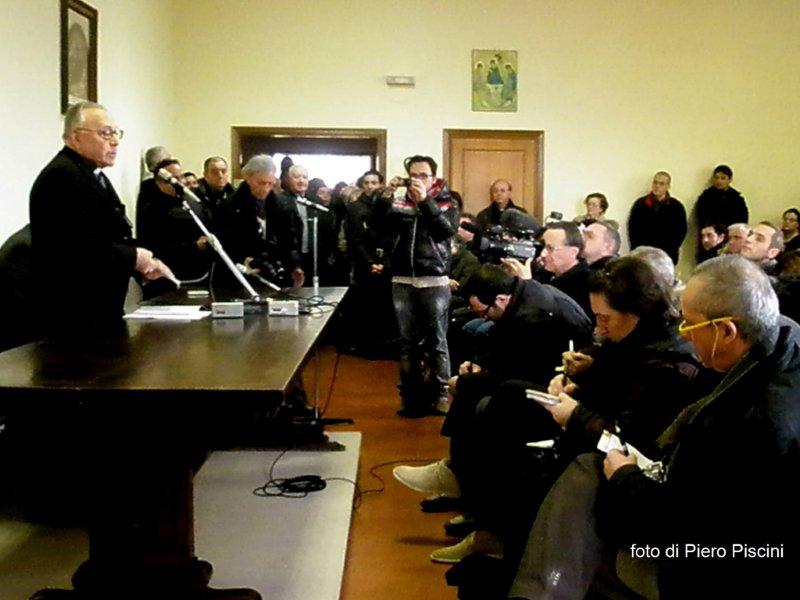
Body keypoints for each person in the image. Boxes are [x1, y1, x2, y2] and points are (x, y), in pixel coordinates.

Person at [601, 255, 800, 599]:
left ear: (726, 331)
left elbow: (678, 524)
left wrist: (624, 477)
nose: (684, 335)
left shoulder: (746, 423)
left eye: (690, 325)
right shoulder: (786, 340)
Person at [29, 101, 173, 340]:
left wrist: (144, 260)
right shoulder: (62, 176)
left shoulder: (94, 175)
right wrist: (133, 257)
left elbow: (113, 233)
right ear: (76, 137)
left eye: (116, 133)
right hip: (75, 315)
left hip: (100, 312)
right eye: (105, 133)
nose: (114, 141)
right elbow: (75, 244)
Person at [371, 155, 459, 417]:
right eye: (413, 175)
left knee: (437, 341)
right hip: (402, 278)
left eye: (423, 175)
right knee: (406, 343)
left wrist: (425, 201)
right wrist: (385, 197)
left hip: (434, 279)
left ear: (433, 177)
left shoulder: (447, 201)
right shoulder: (399, 201)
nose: (418, 180)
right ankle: (409, 397)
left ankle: (441, 395)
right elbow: (377, 226)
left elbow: (445, 231)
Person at [217, 154, 297, 288]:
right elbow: (223, 242)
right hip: (240, 275)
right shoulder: (229, 206)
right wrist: (240, 259)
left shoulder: (282, 205)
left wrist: (295, 265)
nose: (265, 189)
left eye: (270, 184)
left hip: (275, 273)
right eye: (261, 183)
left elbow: (290, 240)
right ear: (247, 178)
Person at [344, 169, 396, 356]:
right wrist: (370, 262)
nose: (370, 186)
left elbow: (394, 236)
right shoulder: (354, 208)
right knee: (365, 306)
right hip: (364, 263)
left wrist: (384, 262)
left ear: (380, 184)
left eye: (374, 183)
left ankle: (385, 346)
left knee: (386, 306)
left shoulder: (391, 205)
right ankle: (366, 346)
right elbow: (354, 240)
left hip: (387, 263)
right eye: (366, 183)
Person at [136, 158, 213, 281]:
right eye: (175, 179)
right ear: (160, 183)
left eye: (181, 177)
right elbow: (156, 246)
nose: (180, 182)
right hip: (173, 273)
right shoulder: (153, 209)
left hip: (200, 268)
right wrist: (194, 246)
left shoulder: (190, 200)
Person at [627, 171, 687, 264]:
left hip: (667, 256)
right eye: (655, 182)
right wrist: (637, 250)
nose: (657, 186)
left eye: (661, 184)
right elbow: (633, 229)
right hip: (643, 256)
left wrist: (671, 249)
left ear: (668, 186)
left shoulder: (676, 207)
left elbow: (681, 231)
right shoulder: (640, 204)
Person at [535, 222, 592, 318]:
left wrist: (529, 285)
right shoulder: (543, 273)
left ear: (573, 252)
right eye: (543, 246)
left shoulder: (585, 285)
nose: (543, 254)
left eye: (550, 248)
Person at [694, 164, 748, 261]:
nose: (719, 181)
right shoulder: (706, 197)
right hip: (709, 240)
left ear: (729, 180)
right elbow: (701, 217)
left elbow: (742, 221)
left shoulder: (736, 199)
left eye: (723, 178)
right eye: (716, 177)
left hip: (729, 239)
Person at [195, 156, 235, 221]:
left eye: (223, 171)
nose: (220, 176)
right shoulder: (195, 196)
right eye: (215, 172)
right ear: (205, 175)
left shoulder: (235, 195)